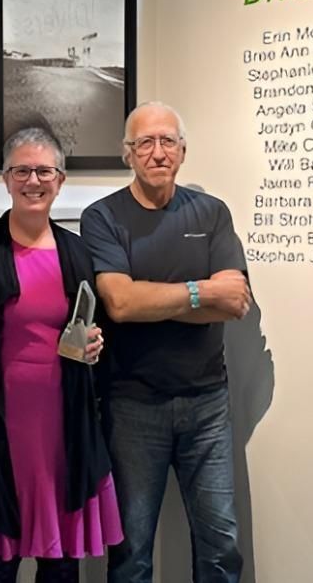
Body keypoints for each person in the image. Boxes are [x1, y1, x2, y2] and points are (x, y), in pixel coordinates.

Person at [0, 127, 124, 582]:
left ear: (60, 180)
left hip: (64, 432)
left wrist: (94, 347)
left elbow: (87, 338)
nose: (33, 181)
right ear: (5, 179)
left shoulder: (77, 252)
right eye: (21, 170)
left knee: (61, 564)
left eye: (44, 171)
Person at [80, 101, 251, 583]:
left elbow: (234, 302)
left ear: (183, 151)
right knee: (131, 551)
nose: (158, 152)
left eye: (168, 141)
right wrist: (200, 291)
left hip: (207, 405)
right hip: (132, 405)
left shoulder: (212, 212)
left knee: (221, 546)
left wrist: (153, 299)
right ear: (127, 154)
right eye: (145, 143)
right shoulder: (103, 217)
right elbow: (120, 305)